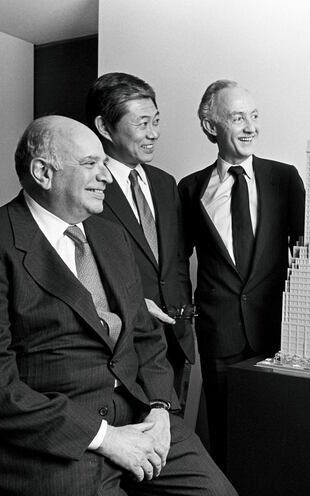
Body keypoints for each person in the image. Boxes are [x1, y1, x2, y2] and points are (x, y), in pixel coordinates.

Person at [0, 116, 238, 496]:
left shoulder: (111, 236)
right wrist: (106, 438)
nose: (105, 176)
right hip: (45, 442)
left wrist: (161, 409)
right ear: (43, 172)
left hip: (136, 415)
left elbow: (144, 335)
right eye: (91, 164)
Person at [178, 80, 305, 470]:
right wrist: (186, 318)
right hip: (221, 334)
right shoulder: (190, 189)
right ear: (210, 126)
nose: (251, 126)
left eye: (253, 116)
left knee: (279, 434)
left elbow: (305, 257)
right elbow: (176, 263)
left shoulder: (285, 179)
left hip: (277, 332)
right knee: (226, 437)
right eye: (237, 118)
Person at [86, 72, 203, 424]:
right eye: (142, 124)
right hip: (124, 346)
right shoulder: (87, 187)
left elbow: (176, 260)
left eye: (156, 122)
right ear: (105, 128)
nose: (154, 133)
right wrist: (132, 305)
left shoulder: (165, 183)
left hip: (176, 342)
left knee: (173, 444)